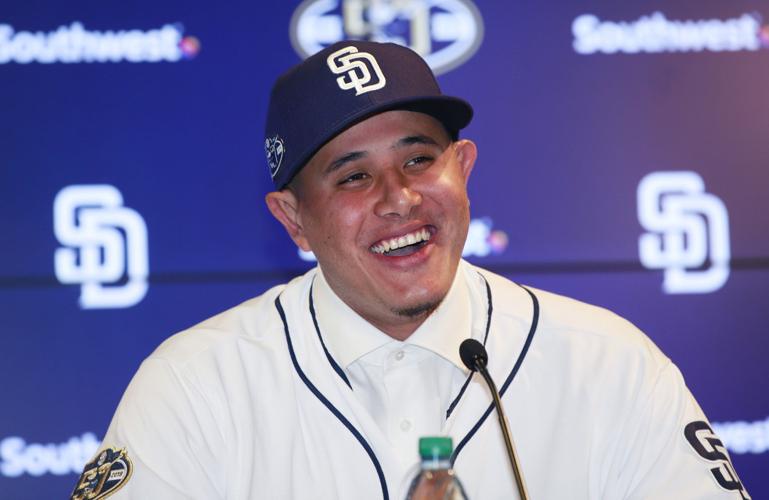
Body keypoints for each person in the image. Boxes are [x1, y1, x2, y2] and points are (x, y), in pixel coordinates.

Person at [71, 41, 750, 500]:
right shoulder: (194, 385)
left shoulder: (608, 364)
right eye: (353, 176)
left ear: (464, 169)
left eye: (419, 159)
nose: (398, 199)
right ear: (291, 218)